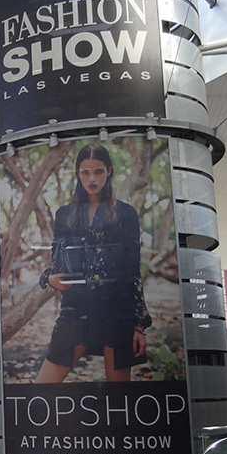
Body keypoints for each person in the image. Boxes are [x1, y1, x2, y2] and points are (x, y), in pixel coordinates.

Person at [35, 143, 151, 383]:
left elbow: (132, 271)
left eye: (98, 171)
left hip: (116, 311)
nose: (92, 178)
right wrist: (50, 279)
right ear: (78, 173)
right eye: (85, 172)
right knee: (43, 387)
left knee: (119, 399)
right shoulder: (64, 215)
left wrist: (139, 326)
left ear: (108, 171)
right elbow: (56, 263)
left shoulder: (126, 214)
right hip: (76, 309)